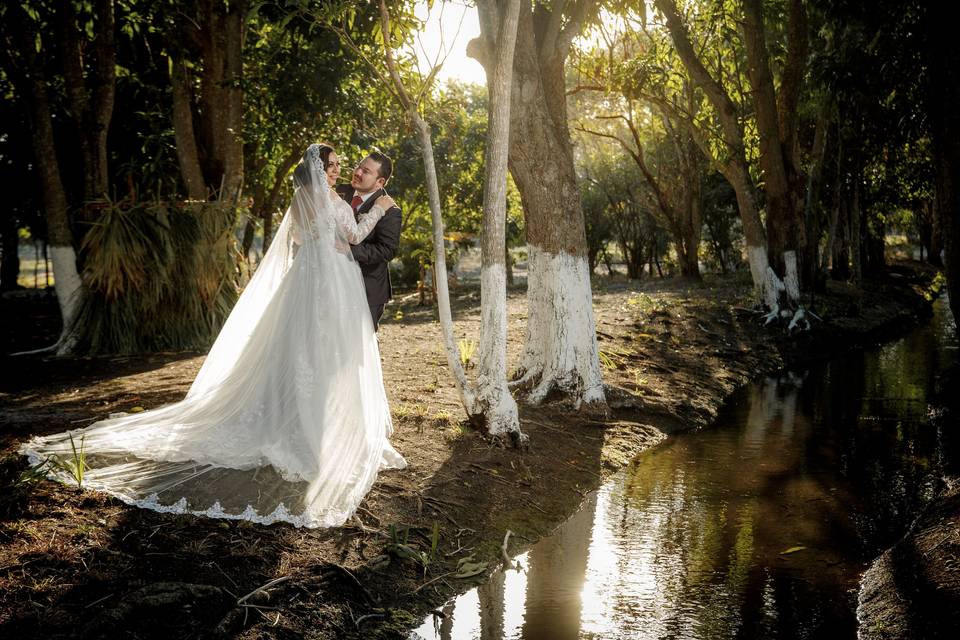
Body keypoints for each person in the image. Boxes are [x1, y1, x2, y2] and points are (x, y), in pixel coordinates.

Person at [19, 143, 406, 528]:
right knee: (313, 355)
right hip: (327, 283)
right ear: (320, 171)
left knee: (300, 352)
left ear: (379, 178)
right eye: (336, 165)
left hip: (309, 281)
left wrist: (328, 242)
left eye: (353, 167)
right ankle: (313, 432)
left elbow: (302, 241)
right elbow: (354, 237)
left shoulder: (303, 198)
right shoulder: (335, 201)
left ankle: (306, 421)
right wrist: (370, 216)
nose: (345, 170)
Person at [336, 152, 401, 330]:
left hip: (367, 287)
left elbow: (387, 250)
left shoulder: (390, 210)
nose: (357, 172)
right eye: (359, 166)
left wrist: (349, 250)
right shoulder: (337, 192)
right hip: (332, 280)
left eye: (365, 171)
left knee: (361, 344)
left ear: (380, 182)